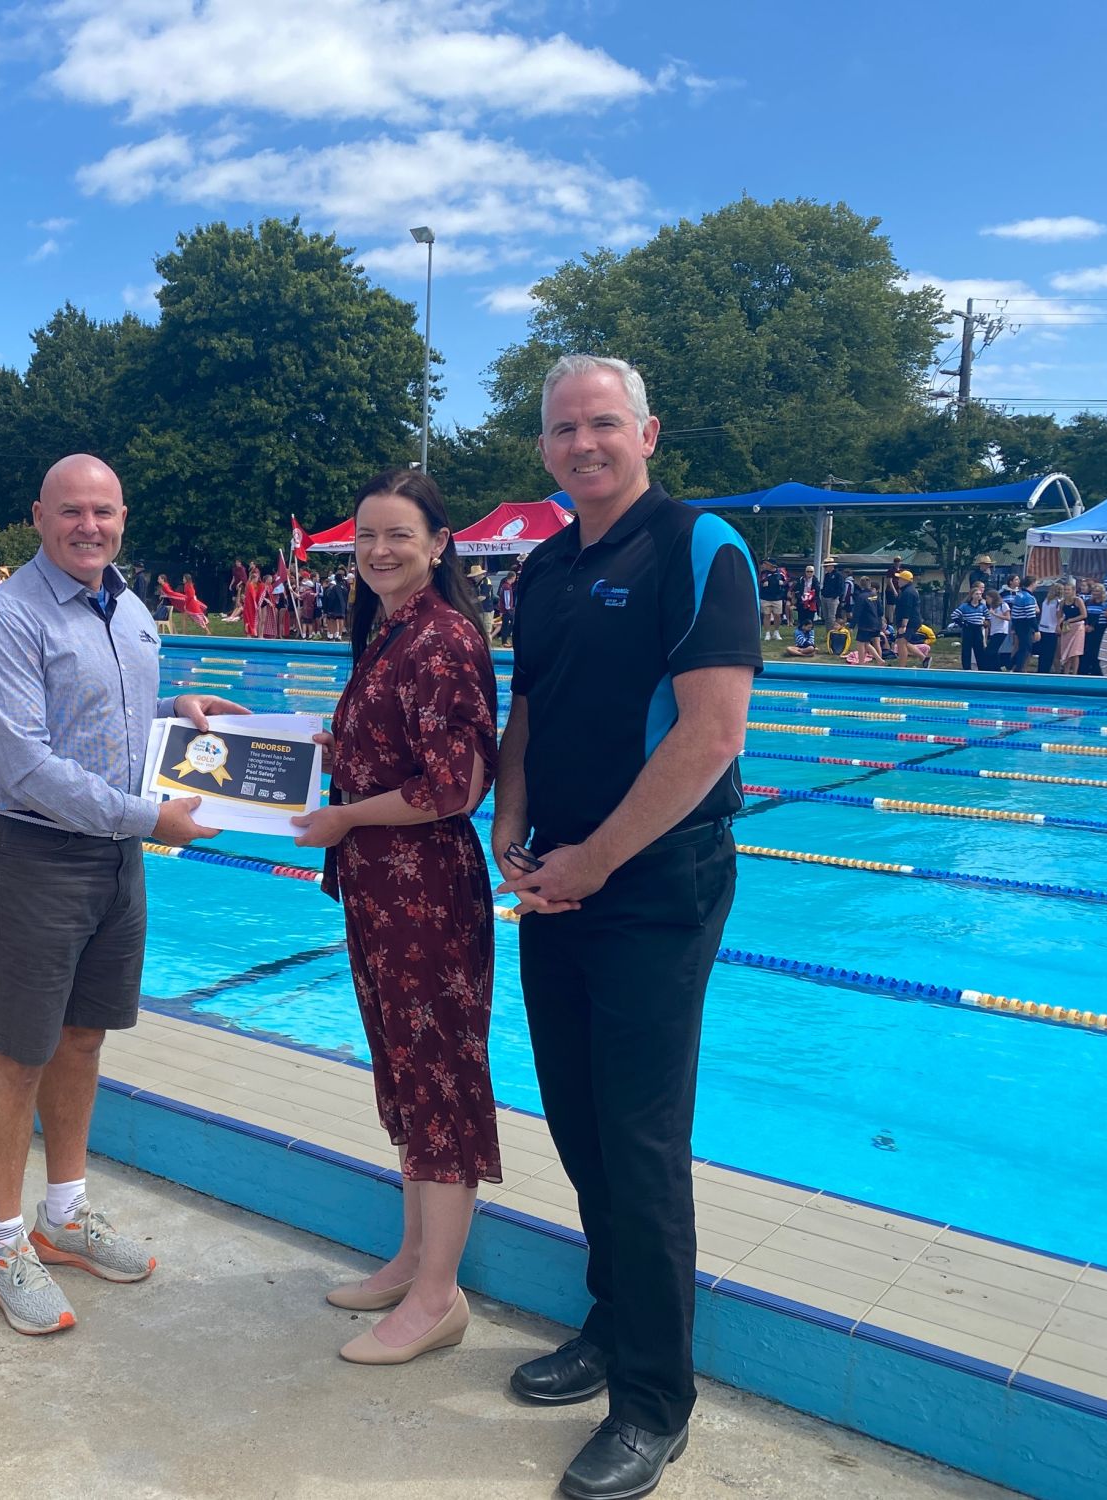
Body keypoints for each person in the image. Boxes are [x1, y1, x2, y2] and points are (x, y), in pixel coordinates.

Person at [491, 355, 757, 1500]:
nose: (582, 444)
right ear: (543, 445)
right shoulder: (543, 566)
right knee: (578, 1117)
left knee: (639, 1139)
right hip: (557, 876)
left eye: (603, 424)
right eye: (562, 428)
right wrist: (510, 824)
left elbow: (709, 737)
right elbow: (530, 708)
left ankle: (654, 1400)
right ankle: (611, 1324)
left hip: (651, 885)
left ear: (646, 432)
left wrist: (592, 863)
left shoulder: (699, 549)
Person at [0, 454, 245, 1337]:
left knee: (83, 1038)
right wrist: (150, 818)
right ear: (39, 514)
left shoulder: (129, 610)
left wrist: (184, 717)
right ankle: (5, 1245)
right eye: (72, 511)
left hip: (116, 857)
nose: (90, 526)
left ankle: (64, 1215)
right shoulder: (5, 619)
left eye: (105, 512)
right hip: (37, 857)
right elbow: (26, 765)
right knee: (20, 1050)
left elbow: (113, 728)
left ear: (123, 516)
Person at [290, 469, 499, 1366]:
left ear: (438, 543)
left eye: (399, 535)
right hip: (383, 889)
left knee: (439, 1081)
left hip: (428, 897)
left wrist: (344, 816)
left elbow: (455, 786)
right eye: (366, 536)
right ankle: (414, 1257)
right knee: (406, 1073)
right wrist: (304, 746)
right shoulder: (388, 631)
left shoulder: (443, 639)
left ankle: (439, 1295)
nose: (378, 550)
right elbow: (387, 752)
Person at [948, 585, 991, 672]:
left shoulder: (982, 606)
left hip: (978, 628)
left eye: (980, 594)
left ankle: (982, 668)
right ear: (972, 595)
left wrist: (986, 623)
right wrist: (962, 623)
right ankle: (966, 668)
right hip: (968, 628)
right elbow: (954, 615)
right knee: (966, 649)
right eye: (976, 594)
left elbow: (988, 616)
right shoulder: (965, 606)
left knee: (979, 649)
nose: (979, 596)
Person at [1003, 577, 1040, 672]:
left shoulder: (1019, 595)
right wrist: (1036, 630)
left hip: (1018, 623)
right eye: (1036, 583)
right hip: (1025, 624)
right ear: (1032, 583)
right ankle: (1016, 667)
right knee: (1026, 647)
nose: (1037, 585)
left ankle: (1011, 665)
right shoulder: (1028, 597)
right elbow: (1031, 616)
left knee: (1023, 646)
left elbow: (1014, 613)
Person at [891, 570, 924, 668]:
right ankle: (923, 658)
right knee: (903, 641)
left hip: (910, 622)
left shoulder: (908, 592)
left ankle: (902, 666)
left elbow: (907, 609)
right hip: (911, 621)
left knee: (901, 642)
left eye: (900, 579)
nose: (898, 581)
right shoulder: (908, 590)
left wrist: (904, 625)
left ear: (905, 580)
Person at [1056, 584, 1087, 674]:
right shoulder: (1062, 602)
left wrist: (1071, 620)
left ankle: (1074, 673)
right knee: (1066, 650)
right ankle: (1066, 672)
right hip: (1067, 627)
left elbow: (1084, 615)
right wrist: (1058, 625)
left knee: (1075, 651)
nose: (1066, 592)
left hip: (1078, 627)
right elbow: (1060, 615)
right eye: (1065, 590)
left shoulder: (1078, 600)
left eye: (1068, 590)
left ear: (1073, 591)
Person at [757, 558, 788, 640]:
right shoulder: (763, 573)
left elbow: (786, 582)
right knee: (766, 615)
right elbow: (759, 582)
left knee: (777, 615)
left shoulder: (781, 572)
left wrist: (783, 586)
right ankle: (767, 633)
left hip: (777, 598)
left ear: (771, 565)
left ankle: (776, 632)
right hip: (765, 597)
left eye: (766, 564)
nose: (764, 565)